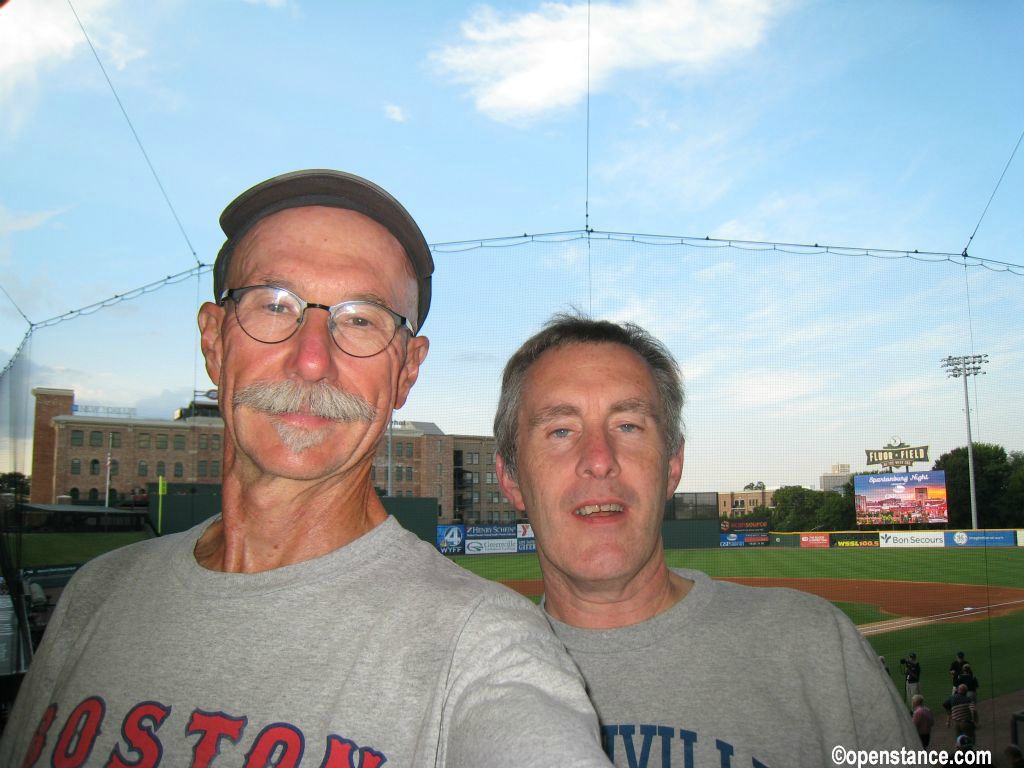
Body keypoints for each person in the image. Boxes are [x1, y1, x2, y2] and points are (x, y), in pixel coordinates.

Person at [0, 171, 611, 766]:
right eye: (274, 304)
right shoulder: (98, 594)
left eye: (361, 319)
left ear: (407, 370)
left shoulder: (483, 649)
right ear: (214, 341)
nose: (312, 360)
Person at [493, 313, 923, 767]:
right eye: (561, 431)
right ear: (512, 478)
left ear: (672, 465)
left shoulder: (815, 649)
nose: (600, 461)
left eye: (628, 426)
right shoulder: (473, 680)